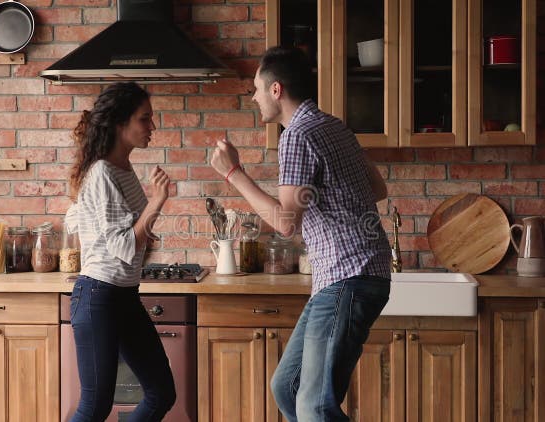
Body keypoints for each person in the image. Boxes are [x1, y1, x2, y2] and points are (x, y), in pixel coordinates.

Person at [210, 46, 392, 421]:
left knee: (314, 405)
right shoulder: (333, 126)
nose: (255, 97)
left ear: (276, 90)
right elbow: (377, 189)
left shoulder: (296, 135)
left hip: (347, 276)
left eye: (258, 89)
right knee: (288, 387)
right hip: (351, 276)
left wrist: (233, 174)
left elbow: (285, 222)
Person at [65, 82, 175, 422]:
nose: (152, 127)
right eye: (145, 119)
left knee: (161, 393)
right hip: (98, 296)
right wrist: (156, 202)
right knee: (95, 406)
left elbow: (78, 220)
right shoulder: (101, 173)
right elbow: (125, 247)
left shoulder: (121, 170)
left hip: (124, 297)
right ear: (119, 124)